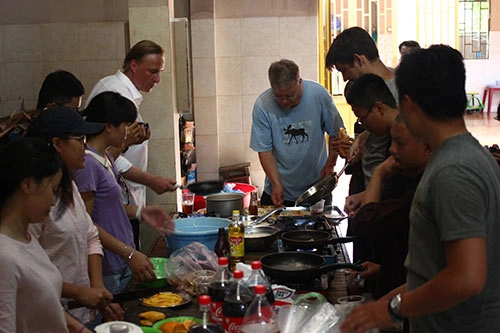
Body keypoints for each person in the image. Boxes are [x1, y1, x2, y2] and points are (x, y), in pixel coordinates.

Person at [341, 45, 500, 333]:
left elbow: (467, 277)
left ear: (408, 104)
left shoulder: (454, 170)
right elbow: (435, 270)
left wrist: (392, 310)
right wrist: (385, 302)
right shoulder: (462, 157)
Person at [26, 106, 120, 327]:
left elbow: (90, 235)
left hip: (83, 312)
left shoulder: (69, 185)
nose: (85, 146)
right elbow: (30, 271)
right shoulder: (34, 202)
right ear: (57, 144)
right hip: (50, 315)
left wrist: (96, 288)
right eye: (79, 138)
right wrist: (79, 293)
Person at [73, 91, 174, 295]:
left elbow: (110, 208)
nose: (129, 132)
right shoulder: (88, 164)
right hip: (107, 265)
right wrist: (128, 253)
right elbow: (86, 223)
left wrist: (141, 212)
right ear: (109, 127)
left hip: (121, 260)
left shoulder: (106, 158)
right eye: (126, 125)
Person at [85, 40, 177, 250]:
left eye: (159, 72)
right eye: (152, 72)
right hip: (112, 198)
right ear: (133, 65)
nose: (157, 79)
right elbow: (107, 154)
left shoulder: (123, 92)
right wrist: (151, 180)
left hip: (125, 200)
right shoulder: (114, 93)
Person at [0, 138, 92, 333]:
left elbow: (44, 303)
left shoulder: (27, 240)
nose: (53, 201)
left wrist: (79, 328)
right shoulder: (4, 257)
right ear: (28, 185)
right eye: (53, 190)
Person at [353, 114, 430, 306]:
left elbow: (367, 222)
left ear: (427, 147)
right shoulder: (411, 174)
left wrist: (378, 174)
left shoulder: (426, 185)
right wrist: (384, 269)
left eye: (400, 143)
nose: (391, 149)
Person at [249, 59, 344, 207]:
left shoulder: (319, 95)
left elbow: (336, 133)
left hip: (316, 189)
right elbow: (264, 150)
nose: (285, 101)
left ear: (299, 82)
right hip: (279, 189)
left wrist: (330, 164)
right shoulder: (263, 105)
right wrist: (276, 184)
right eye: (279, 97)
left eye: (290, 95)